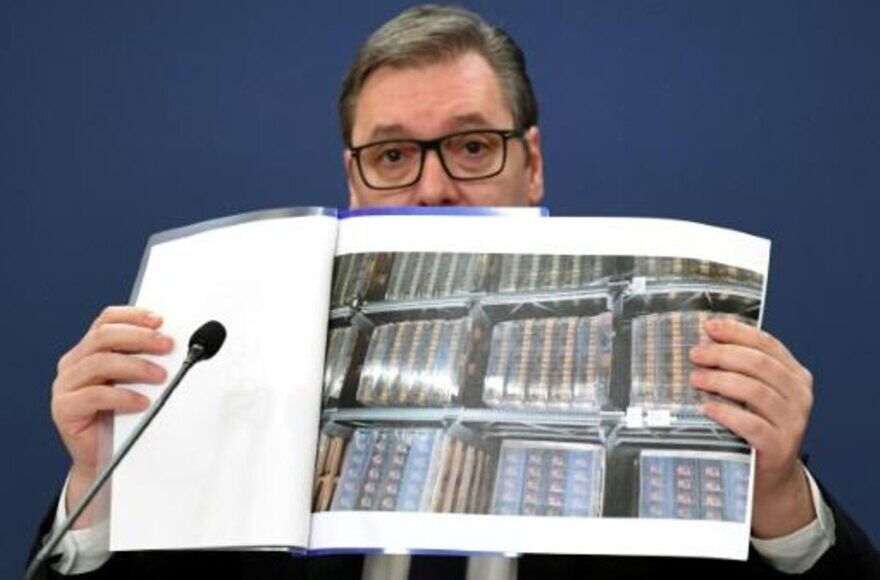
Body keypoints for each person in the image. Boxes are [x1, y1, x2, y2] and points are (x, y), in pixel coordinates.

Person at [29, 5, 877, 579]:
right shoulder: (224, 366)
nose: (433, 189)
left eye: (472, 146)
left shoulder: (678, 361)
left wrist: (778, 498)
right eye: (393, 156)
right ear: (353, 179)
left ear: (531, 164)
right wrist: (102, 485)